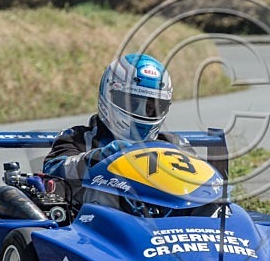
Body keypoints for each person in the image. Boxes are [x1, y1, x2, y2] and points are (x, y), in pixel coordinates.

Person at [43, 54, 189, 211]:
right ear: (109, 95)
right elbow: (52, 170)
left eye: (152, 107)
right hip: (98, 227)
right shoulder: (77, 138)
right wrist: (97, 158)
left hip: (166, 228)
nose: (144, 113)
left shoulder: (173, 144)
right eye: (133, 103)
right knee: (105, 187)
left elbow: (203, 184)